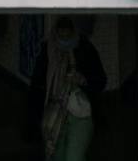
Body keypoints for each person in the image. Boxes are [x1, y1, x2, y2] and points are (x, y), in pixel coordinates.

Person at [31, 18, 105, 161]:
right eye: (61, 36)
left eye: (67, 36)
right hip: (54, 113)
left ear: (73, 33)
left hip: (80, 114)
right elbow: (37, 86)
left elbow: (100, 80)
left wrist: (82, 80)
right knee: (56, 156)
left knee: (73, 157)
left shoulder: (85, 49)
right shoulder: (48, 51)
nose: (64, 40)